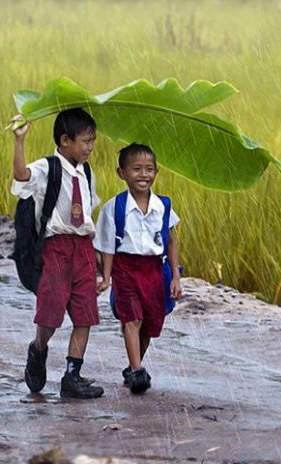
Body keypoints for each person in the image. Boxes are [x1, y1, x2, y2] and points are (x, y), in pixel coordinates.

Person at [10, 108, 104, 399]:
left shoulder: (87, 172)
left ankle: (72, 376)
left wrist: (98, 257)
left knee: (85, 314)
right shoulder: (47, 168)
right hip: (56, 248)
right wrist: (19, 142)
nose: (90, 147)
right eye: (85, 141)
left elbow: (88, 215)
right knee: (50, 314)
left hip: (83, 249)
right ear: (65, 140)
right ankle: (38, 348)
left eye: (92, 141)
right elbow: (21, 175)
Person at [94, 143, 182, 394]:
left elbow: (172, 240)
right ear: (121, 173)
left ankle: (135, 365)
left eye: (149, 169)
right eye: (136, 169)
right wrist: (107, 277)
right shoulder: (114, 208)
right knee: (132, 317)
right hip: (125, 268)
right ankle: (136, 372)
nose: (143, 174)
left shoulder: (163, 206)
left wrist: (176, 276)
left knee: (151, 323)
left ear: (156, 172)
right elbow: (107, 246)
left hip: (154, 269)